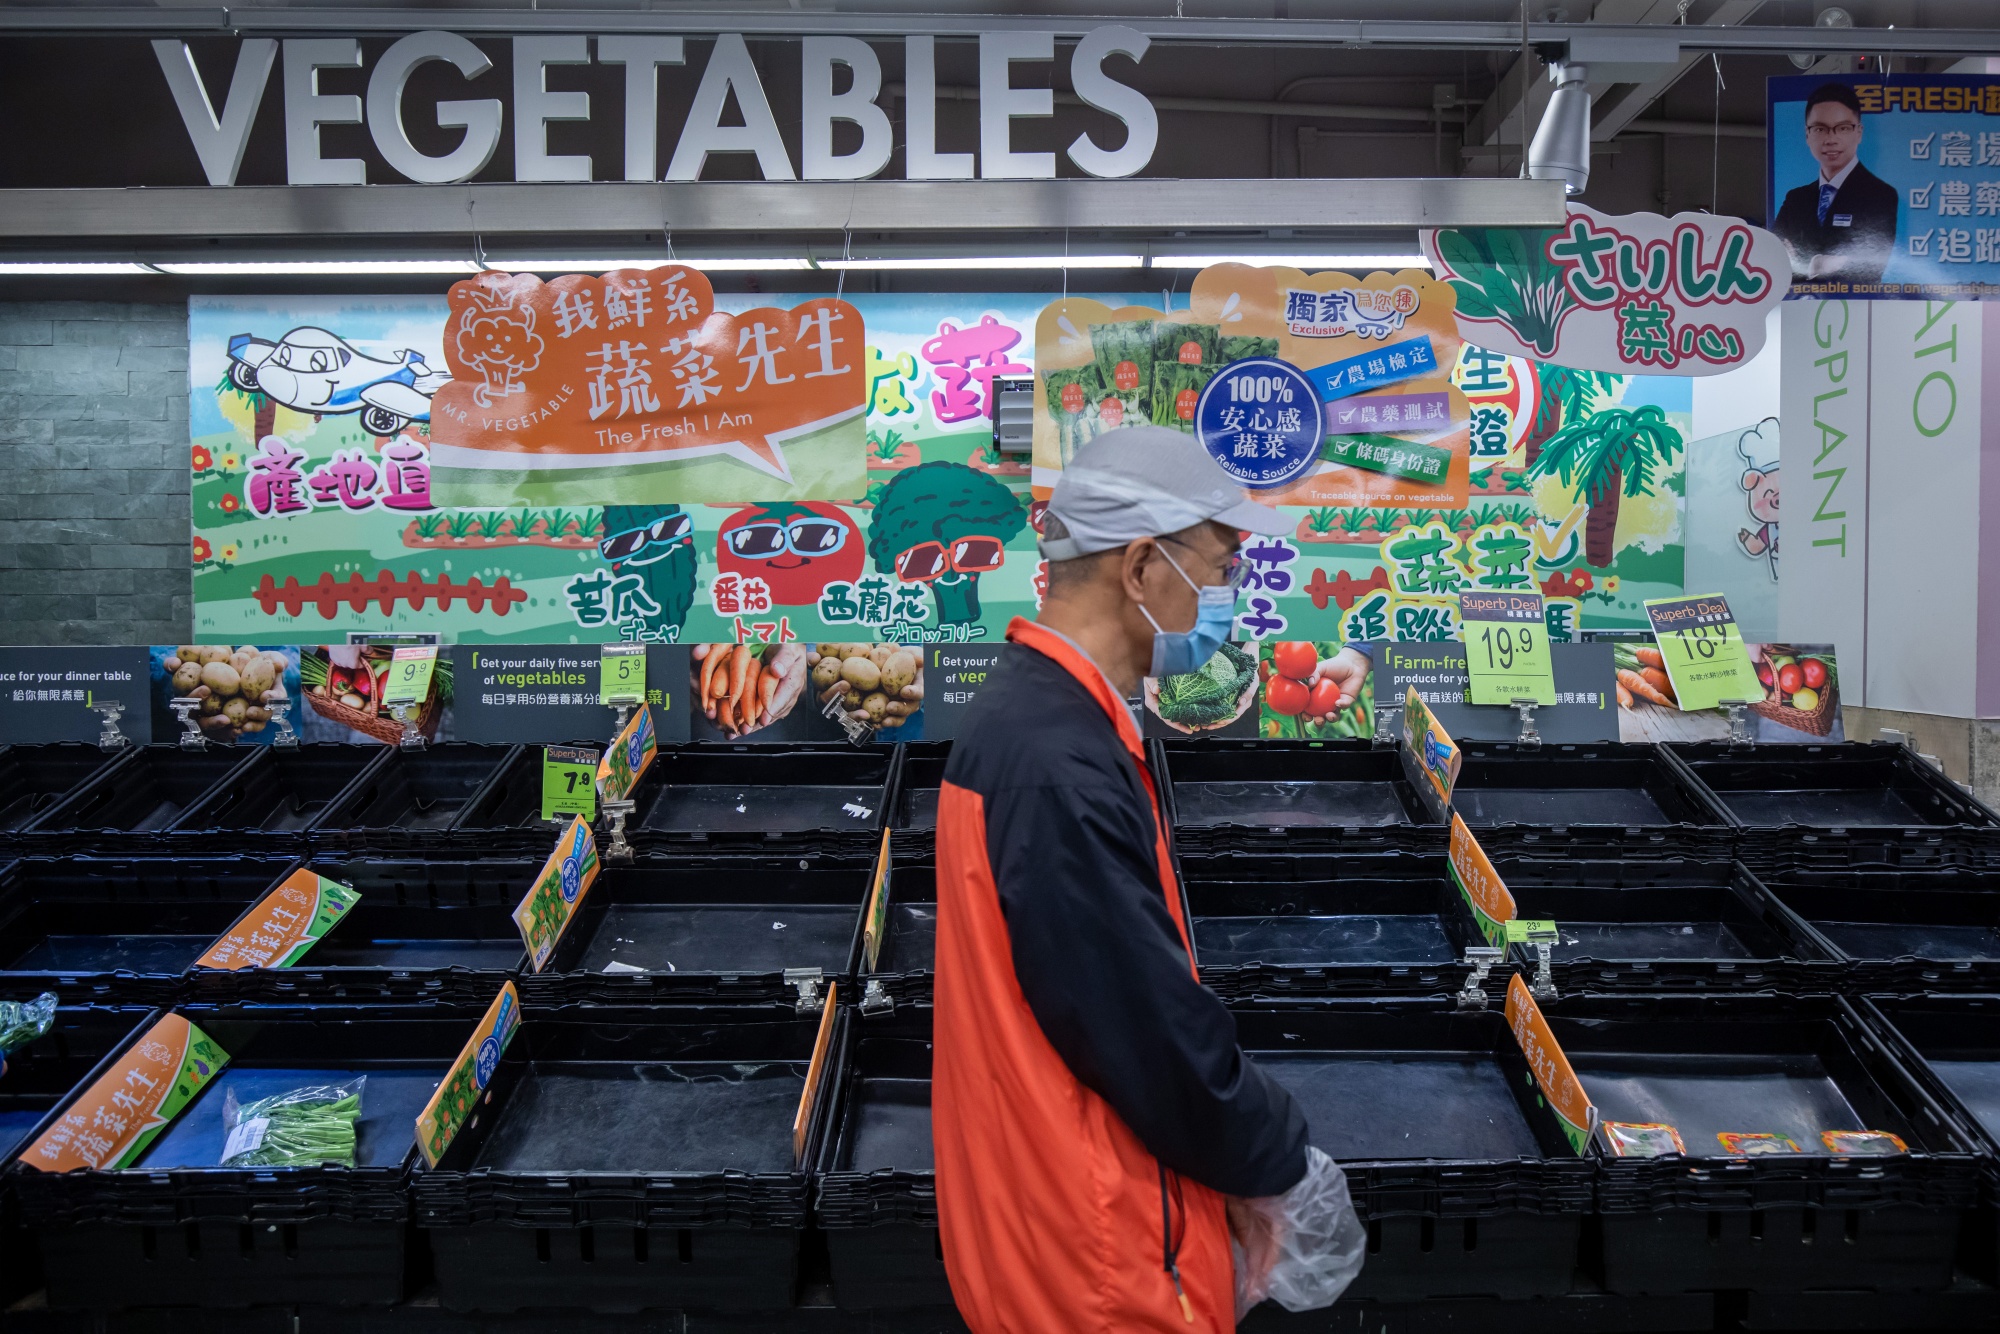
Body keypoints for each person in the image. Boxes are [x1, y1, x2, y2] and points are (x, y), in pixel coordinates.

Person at [934, 425, 1310, 1332]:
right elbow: (1142, 1029)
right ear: (1141, 569)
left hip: (1044, 1208)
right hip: (1095, 1257)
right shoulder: (1055, 758)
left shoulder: (1038, 715)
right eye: (1220, 568)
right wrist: (1278, 1160)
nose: (1227, 595)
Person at [1771, 82, 1898, 283]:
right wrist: (1821, 264)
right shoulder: (1796, 198)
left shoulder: (1880, 195)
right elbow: (1773, 261)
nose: (1831, 139)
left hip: (1853, 311)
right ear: (1807, 134)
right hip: (1796, 310)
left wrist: (1805, 263)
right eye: (1820, 128)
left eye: (1843, 128)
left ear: (1859, 132)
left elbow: (1867, 270)